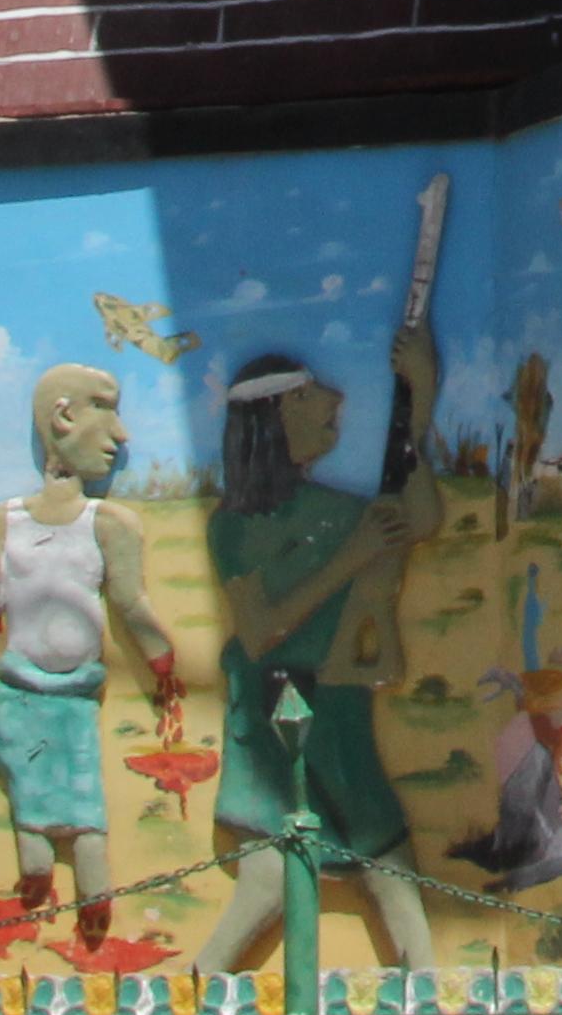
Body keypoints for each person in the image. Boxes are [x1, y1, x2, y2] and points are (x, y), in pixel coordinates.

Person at [192, 330, 448, 977]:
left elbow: (418, 516)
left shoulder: (342, 511)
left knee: (387, 868)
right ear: (276, 417)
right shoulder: (233, 527)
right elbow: (259, 631)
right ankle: (194, 1002)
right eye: (310, 395)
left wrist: (419, 400)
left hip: (335, 706)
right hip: (274, 711)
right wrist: (351, 559)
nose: (333, 401)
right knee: (286, 879)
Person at [0, 361, 187, 961]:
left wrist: (162, 655)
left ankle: (92, 903)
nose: (122, 434)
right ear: (63, 418)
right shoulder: (5, 522)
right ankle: (39, 878)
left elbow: (131, 603)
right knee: (40, 811)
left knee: (84, 813)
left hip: (72, 700)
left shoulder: (109, 524)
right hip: (18, 696)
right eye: (105, 410)